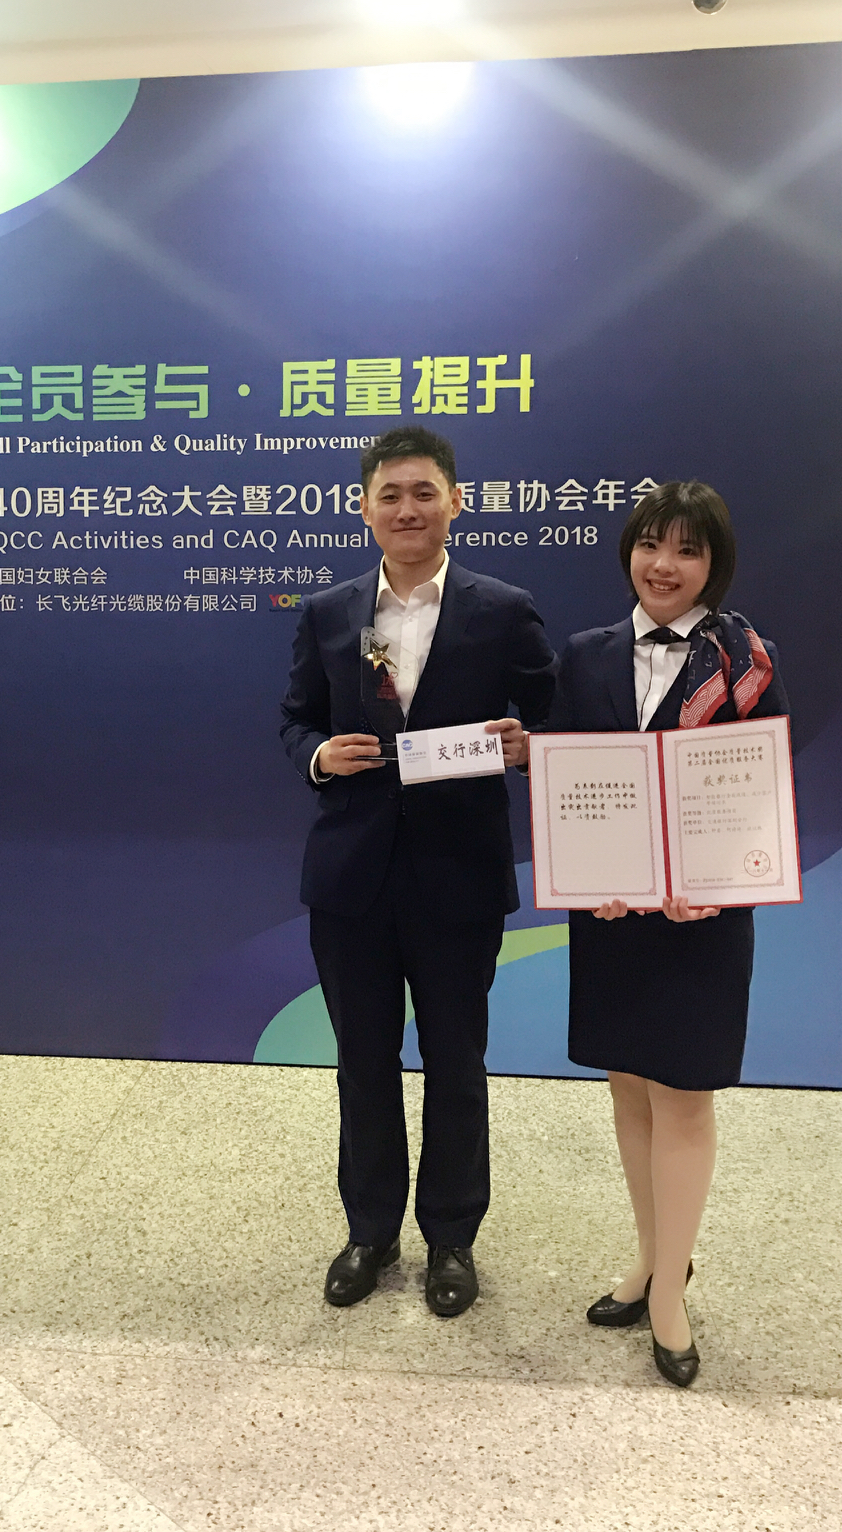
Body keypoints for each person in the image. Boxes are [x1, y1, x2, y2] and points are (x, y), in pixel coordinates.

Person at [280, 425, 557, 1316]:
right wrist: (320, 755)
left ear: (455, 502)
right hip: (352, 881)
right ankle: (370, 1231)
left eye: (424, 492)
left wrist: (529, 747)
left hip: (458, 877)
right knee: (362, 1061)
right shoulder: (330, 612)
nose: (407, 508)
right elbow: (294, 717)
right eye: (390, 494)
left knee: (456, 1062)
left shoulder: (503, 609)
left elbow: (558, 715)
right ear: (364, 508)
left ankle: (451, 1237)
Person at [545, 479, 790, 1387]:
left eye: (688, 549)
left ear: (713, 565)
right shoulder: (586, 653)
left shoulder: (747, 660)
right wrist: (589, 874)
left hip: (703, 920)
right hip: (612, 918)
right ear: (630, 553)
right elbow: (568, 779)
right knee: (629, 1090)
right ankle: (654, 1260)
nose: (665, 564)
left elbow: (756, 792)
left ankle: (670, 1302)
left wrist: (711, 887)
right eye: (651, 544)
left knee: (683, 1096)